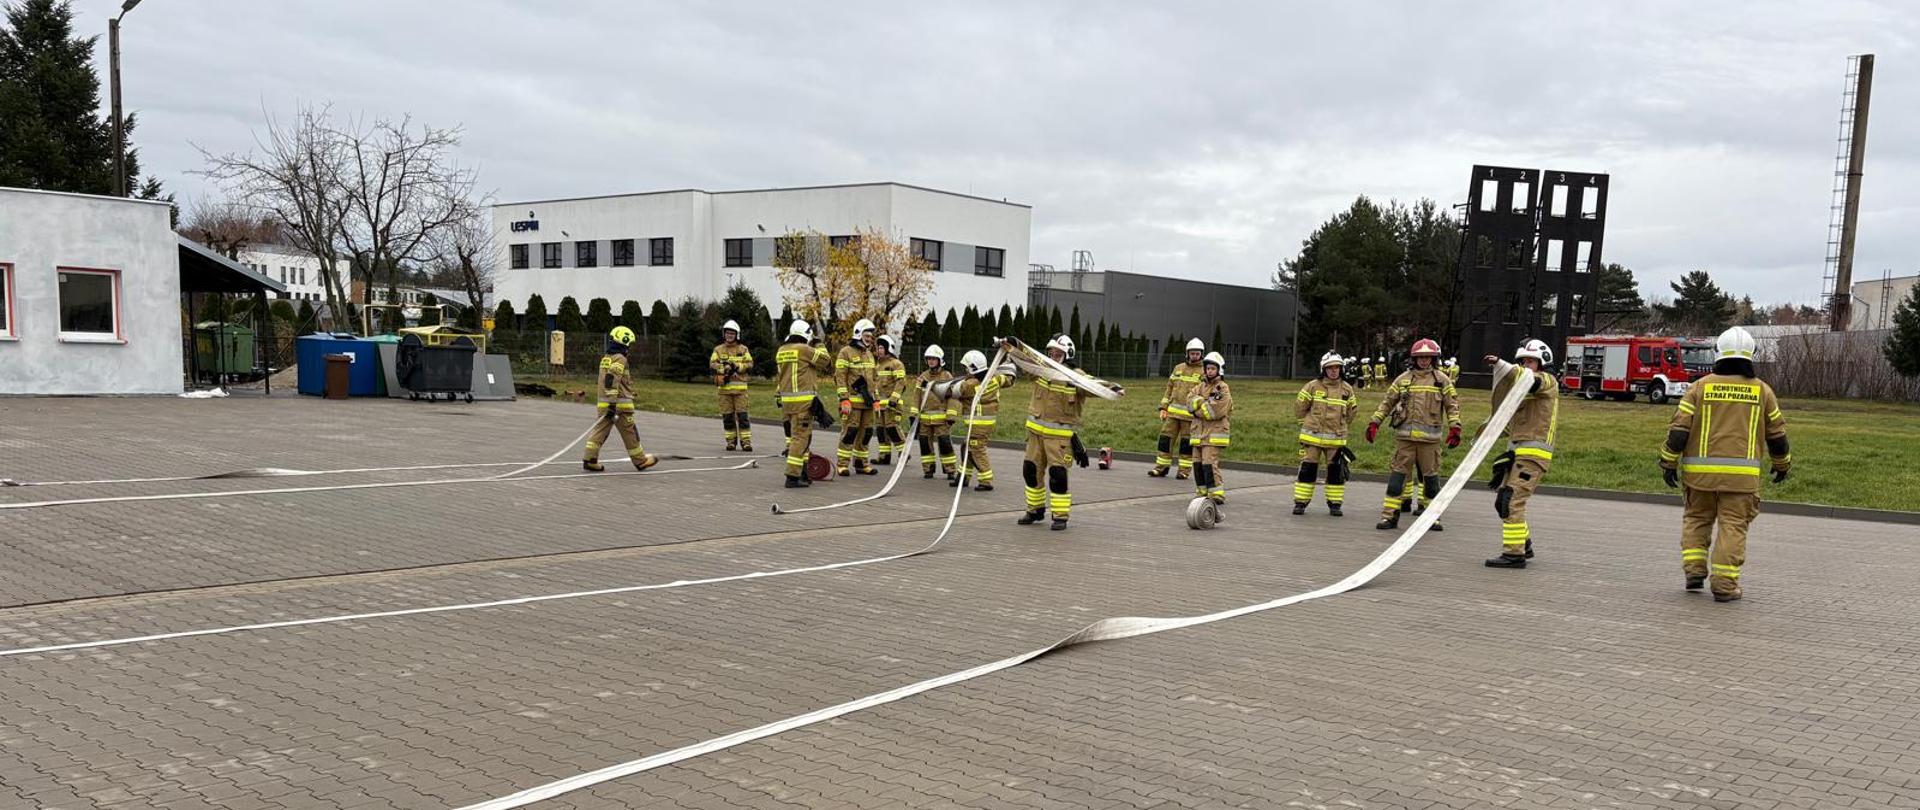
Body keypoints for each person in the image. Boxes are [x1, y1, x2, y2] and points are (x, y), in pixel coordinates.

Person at [1658, 326, 1791, 601]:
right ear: (1751, 355)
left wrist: (1668, 462)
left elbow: (1678, 431)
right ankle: (1725, 586)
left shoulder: (1699, 387)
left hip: (1699, 478)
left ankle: (1694, 571)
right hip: (1741, 480)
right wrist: (1782, 465)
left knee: (1696, 520)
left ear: (1719, 353)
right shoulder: (1762, 391)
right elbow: (1777, 436)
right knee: (1733, 526)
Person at [1011, 335, 1121, 530]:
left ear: (1068, 354)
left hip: (1058, 439)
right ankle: (1034, 510)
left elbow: (1093, 385)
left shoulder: (1075, 375)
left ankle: (1060, 516)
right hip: (1035, 435)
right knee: (1030, 471)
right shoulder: (1041, 369)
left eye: (1058, 352)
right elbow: (1026, 362)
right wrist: (1013, 347)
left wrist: (1113, 388)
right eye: (1051, 352)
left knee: (1058, 475)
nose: (1054, 355)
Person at [1367, 338, 1461, 531]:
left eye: (1428, 357)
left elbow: (1452, 405)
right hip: (1405, 440)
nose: (1424, 361)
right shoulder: (1403, 380)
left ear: (1434, 359)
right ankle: (1389, 517)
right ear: (1414, 358)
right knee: (1396, 481)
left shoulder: (1442, 380)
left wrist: (1455, 427)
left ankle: (1432, 518)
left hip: (1430, 441)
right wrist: (1375, 422)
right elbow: (1387, 402)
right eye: (1421, 357)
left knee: (1431, 482)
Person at [1483, 339, 1561, 568]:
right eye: (1523, 361)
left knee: (1512, 501)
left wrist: (1503, 365)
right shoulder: (1523, 388)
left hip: (1534, 455)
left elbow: (1531, 381)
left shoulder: (1547, 381)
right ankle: (1523, 544)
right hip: (1518, 453)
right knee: (1502, 502)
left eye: (1531, 361)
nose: (1526, 365)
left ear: (1543, 362)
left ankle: (1514, 555)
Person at [583, 326, 659, 473]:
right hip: (619, 406)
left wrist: (627, 392)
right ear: (624, 342)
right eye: (629, 344)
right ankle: (640, 461)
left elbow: (609, 379)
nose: (629, 347)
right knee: (630, 433)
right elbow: (612, 378)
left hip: (604, 403)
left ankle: (590, 459)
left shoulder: (606, 358)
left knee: (600, 432)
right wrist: (613, 402)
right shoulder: (620, 358)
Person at [1293, 351, 1359, 516]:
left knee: (1336, 472)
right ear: (1324, 369)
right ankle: (1301, 502)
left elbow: (1352, 412)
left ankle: (1335, 504)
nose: (1334, 371)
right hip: (1312, 438)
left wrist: (1341, 426)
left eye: (1337, 367)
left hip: (1336, 440)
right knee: (1308, 470)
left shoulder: (1347, 389)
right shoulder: (1312, 386)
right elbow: (1299, 408)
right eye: (1330, 368)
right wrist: (1307, 424)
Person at [776, 319, 834, 488]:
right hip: (803, 403)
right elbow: (825, 360)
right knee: (800, 439)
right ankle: (792, 476)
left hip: (788, 403)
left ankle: (802, 473)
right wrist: (819, 343)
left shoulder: (782, 350)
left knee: (798, 438)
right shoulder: (803, 349)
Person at [948, 348, 1014, 492]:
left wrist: (928, 385)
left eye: (966, 368)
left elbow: (951, 392)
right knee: (967, 447)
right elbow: (1008, 379)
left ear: (972, 368)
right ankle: (963, 477)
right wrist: (1010, 364)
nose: (965, 370)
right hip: (984, 424)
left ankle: (986, 480)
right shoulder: (993, 379)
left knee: (976, 449)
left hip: (978, 424)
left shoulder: (971, 385)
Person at [1149, 338, 1207, 479]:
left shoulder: (1204, 371)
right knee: (1165, 441)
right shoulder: (1178, 368)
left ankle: (1183, 471)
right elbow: (1169, 388)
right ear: (1187, 353)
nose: (1194, 356)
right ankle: (1161, 468)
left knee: (1186, 445)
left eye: (1197, 354)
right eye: (1192, 353)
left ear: (1201, 354)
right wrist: (1163, 407)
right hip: (1172, 415)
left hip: (1190, 416)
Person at [1184, 352, 1232, 504]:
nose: (1209, 371)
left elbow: (1214, 411)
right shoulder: (1199, 387)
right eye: (1207, 368)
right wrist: (1203, 403)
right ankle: (1202, 492)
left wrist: (1198, 407)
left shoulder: (1222, 388)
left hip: (1214, 434)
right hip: (1198, 433)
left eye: (1212, 368)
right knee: (1197, 464)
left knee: (1209, 464)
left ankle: (1216, 494)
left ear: (1219, 370)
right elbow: (1189, 402)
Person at [834, 318, 879, 476]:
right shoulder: (845, 352)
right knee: (850, 432)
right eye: (867, 336)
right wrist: (844, 398)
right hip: (851, 402)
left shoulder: (869, 355)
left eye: (871, 337)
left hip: (867, 402)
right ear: (858, 334)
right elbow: (839, 377)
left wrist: (876, 400)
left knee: (866, 434)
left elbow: (874, 379)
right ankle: (842, 464)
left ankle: (861, 464)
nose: (870, 340)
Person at [911, 345, 959, 480]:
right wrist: (913, 415)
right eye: (929, 359)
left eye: (934, 359)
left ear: (940, 360)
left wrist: (951, 415)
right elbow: (917, 396)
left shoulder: (946, 375)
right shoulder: (923, 377)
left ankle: (950, 470)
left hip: (942, 418)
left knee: (945, 444)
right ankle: (928, 469)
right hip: (925, 418)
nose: (931, 361)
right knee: (925, 444)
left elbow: (953, 396)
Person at [709, 319, 755, 452]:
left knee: (743, 418)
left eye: (732, 333)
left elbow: (750, 364)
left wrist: (738, 367)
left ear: (737, 335)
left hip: (740, 391)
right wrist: (724, 369)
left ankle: (746, 442)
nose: (729, 335)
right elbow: (712, 364)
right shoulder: (718, 350)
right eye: (727, 333)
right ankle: (731, 442)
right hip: (724, 391)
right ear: (724, 334)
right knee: (728, 418)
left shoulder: (743, 349)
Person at [869, 334, 909, 465]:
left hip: (892, 405)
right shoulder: (877, 366)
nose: (879, 350)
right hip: (879, 405)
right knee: (881, 431)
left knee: (892, 429)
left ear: (888, 348)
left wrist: (894, 398)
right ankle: (884, 456)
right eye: (878, 348)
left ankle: (904, 453)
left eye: (881, 348)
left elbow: (901, 382)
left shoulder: (896, 364)